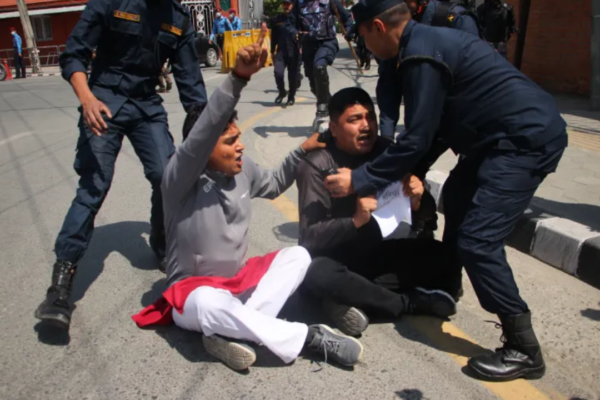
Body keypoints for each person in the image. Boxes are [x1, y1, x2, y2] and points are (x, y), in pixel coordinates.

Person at [324, 0, 568, 382]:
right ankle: (446, 282)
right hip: (493, 140)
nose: (365, 47)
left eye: (364, 38)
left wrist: (360, 180)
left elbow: (419, 137)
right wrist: (408, 174)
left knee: (478, 239)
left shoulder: (422, 56)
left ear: (378, 27)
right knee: (455, 197)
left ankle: (524, 348)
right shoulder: (416, 48)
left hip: (523, 141)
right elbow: (434, 129)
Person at [132, 31, 364, 371]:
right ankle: (308, 338)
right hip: (195, 293)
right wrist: (238, 77)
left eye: (238, 137)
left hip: (241, 287)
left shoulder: (244, 170)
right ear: (203, 150)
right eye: (229, 141)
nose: (240, 146)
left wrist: (301, 150)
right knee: (209, 306)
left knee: (298, 255)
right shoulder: (179, 180)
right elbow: (204, 131)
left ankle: (229, 334)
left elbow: (271, 184)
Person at [34, 0, 208, 332]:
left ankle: (161, 242)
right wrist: (86, 99)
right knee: (94, 184)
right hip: (102, 99)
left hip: (146, 105)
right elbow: (73, 54)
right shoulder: (111, 2)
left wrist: (213, 132)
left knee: (167, 175)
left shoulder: (177, 18)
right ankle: (60, 287)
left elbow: (192, 88)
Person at [297, 87, 457, 336]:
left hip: (373, 254)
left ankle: (352, 300)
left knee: (446, 255)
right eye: (354, 119)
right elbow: (309, 237)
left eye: (370, 117)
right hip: (332, 261)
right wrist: (355, 220)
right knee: (316, 275)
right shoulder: (317, 164)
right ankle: (406, 303)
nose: (366, 126)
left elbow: (421, 213)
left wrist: (417, 199)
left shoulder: (384, 152)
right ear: (334, 128)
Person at [377, 0, 481, 140]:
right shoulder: (393, 25)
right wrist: (386, 136)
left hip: (460, 120)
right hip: (419, 123)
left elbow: (475, 79)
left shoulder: (455, 19)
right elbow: (389, 85)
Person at [287, 0, 353, 130]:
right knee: (314, 84)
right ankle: (333, 105)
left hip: (327, 42)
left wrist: (349, 30)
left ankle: (322, 108)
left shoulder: (330, 2)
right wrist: (295, 33)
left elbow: (347, 18)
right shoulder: (299, 4)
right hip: (308, 46)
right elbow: (289, 24)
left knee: (319, 67)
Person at [271, 0, 302, 106]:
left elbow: (304, 32)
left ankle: (291, 96)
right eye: (284, 4)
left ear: (292, 5)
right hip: (281, 52)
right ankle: (282, 92)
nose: (286, 6)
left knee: (292, 77)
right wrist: (272, 51)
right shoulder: (277, 19)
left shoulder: (297, 19)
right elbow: (273, 37)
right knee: (278, 72)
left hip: (294, 51)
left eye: (288, 4)